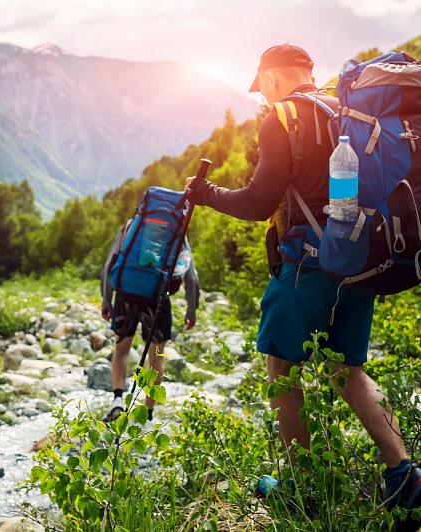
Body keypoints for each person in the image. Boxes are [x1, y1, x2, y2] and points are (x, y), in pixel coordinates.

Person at [185, 44, 420, 521]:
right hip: (359, 261)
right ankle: (405, 474)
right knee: (347, 369)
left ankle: (299, 486)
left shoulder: (283, 116)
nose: (263, 95)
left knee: (282, 365)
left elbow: (256, 202)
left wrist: (206, 193)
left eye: (262, 85)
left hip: (305, 265)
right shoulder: (345, 110)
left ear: (271, 78)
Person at [101, 220, 200, 422]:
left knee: (121, 349)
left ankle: (118, 400)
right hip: (157, 297)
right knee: (156, 357)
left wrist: (106, 299)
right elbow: (191, 275)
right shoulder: (176, 229)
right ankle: (148, 413)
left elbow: (110, 263)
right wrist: (191, 308)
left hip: (126, 294)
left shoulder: (131, 225)